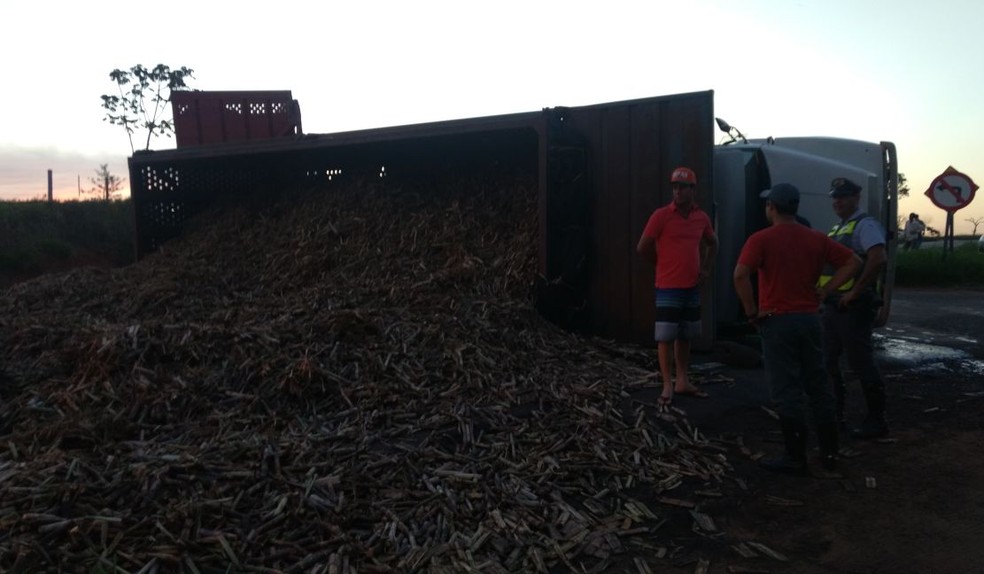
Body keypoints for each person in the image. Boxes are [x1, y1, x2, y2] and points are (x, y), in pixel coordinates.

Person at [734, 183, 861, 474]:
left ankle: (795, 456)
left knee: (786, 389)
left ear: (772, 207)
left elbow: (740, 275)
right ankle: (829, 453)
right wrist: (826, 290)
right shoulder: (816, 238)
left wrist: (752, 313)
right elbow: (853, 262)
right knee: (818, 384)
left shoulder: (761, 239)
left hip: (777, 322)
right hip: (809, 321)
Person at [637, 166, 719, 408]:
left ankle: (682, 380)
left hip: (691, 286)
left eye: (682, 187)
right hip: (668, 286)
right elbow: (643, 246)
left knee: (685, 334)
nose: (678, 192)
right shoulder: (661, 216)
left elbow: (712, 243)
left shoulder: (701, 218)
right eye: (675, 187)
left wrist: (705, 269)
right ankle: (667, 384)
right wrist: (661, 265)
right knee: (665, 337)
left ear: (692, 189)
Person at [820, 177, 890, 438]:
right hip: (833, 305)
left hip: (853, 306)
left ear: (856, 197)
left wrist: (854, 292)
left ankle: (876, 421)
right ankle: (836, 416)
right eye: (835, 197)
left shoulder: (865, 225)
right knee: (828, 361)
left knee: (860, 362)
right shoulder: (838, 228)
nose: (837, 201)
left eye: (843, 196)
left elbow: (878, 258)